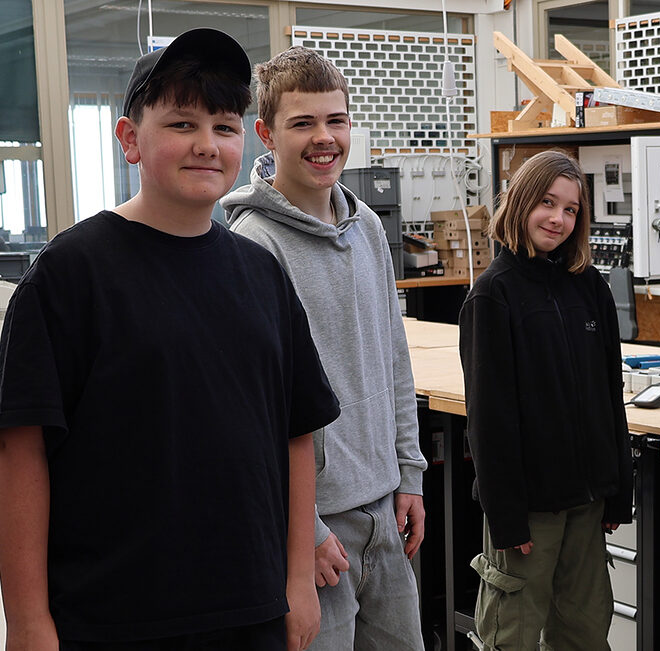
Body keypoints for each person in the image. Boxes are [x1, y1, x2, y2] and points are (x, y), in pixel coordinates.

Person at [0, 29, 341, 651]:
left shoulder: (260, 274)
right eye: (182, 124)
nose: (206, 145)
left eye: (224, 127)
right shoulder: (71, 276)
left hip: (251, 606)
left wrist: (296, 579)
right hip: (114, 616)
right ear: (130, 139)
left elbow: (296, 431)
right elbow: (23, 454)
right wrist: (28, 621)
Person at [222, 46, 428, 651]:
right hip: (314, 530)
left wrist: (409, 473)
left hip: (385, 509)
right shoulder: (252, 245)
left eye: (335, 121)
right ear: (265, 133)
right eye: (302, 122)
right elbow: (253, 410)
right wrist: (302, 529)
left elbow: (392, 356)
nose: (324, 138)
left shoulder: (366, 225)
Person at [458, 150, 633, 650]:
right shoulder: (494, 295)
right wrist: (506, 515)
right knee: (509, 636)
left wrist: (619, 486)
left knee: (583, 633)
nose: (558, 218)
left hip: (587, 503)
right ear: (519, 203)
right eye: (547, 203)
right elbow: (488, 422)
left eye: (572, 209)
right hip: (528, 512)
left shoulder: (591, 288)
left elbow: (609, 396)